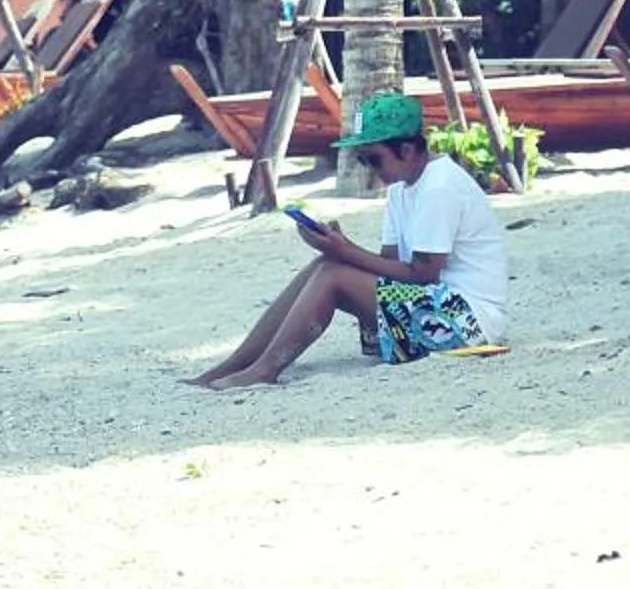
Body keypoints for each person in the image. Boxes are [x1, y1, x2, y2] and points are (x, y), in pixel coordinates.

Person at [190, 92, 510, 390]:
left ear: (407, 150)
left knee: (334, 273)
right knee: (327, 264)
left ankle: (265, 369)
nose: (369, 169)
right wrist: (339, 248)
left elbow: (424, 273)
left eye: (373, 159)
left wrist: (346, 252)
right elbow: (388, 267)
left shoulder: (439, 186)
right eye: (362, 160)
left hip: (471, 324)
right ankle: (238, 363)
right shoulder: (402, 187)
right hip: (438, 305)